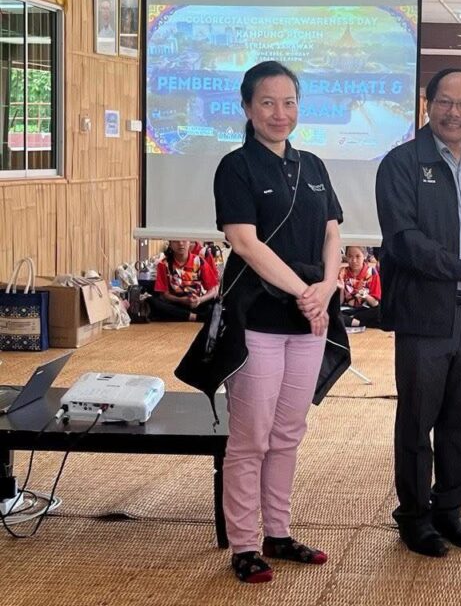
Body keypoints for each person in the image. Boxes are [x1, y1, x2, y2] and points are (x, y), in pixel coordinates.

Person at [213, 61, 345, 582]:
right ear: (247, 107)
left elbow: (333, 232)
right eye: (267, 102)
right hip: (258, 320)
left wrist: (327, 287)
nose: (279, 113)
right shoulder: (236, 167)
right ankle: (245, 545)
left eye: (289, 102)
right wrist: (305, 292)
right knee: (251, 437)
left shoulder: (313, 165)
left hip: (310, 321)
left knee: (289, 432)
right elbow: (244, 243)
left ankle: (279, 533)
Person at [375, 68, 461, 558]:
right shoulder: (402, 163)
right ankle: (414, 517)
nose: (455, 113)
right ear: (428, 105)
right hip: (425, 315)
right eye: (445, 103)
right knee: (417, 421)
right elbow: (403, 241)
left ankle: (451, 509)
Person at [149, 239, 220, 322]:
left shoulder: (199, 261)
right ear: (170, 244)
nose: (180, 243)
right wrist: (181, 300)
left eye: (184, 240)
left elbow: (213, 289)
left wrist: (200, 300)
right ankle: (194, 317)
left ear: (190, 242)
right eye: (176, 241)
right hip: (176, 303)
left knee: (216, 302)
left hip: (197, 303)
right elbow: (165, 294)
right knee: (151, 301)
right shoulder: (163, 264)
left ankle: (183, 316)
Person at [338, 245, 381, 329]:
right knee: (330, 312)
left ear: (364, 256)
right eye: (350, 256)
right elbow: (339, 302)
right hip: (347, 309)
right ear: (346, 257)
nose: (354, 260)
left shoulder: (372, 272)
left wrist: (365, 295)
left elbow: (375, 303)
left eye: (358, 256)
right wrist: (342, 289)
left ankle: (351, 321)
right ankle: (360, 323)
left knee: (380, 312)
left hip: (365, 309)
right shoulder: (342, 272)